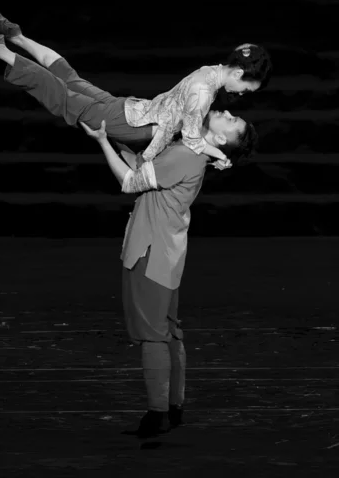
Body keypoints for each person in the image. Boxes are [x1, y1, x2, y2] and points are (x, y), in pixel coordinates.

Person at [80, 106, 257, 438]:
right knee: (168, 330)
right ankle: (173, 407)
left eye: (231, 120)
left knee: (153, 335)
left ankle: (157, 414)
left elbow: (130, 181)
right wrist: (114, 139)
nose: (227, 111)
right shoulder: (190, 154)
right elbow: (142, 169)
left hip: (151, 251)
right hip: (167, 251)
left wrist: (103, 141)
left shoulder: (184, 155)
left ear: (219, 138)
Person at [0, 10, 271, 168]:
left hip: (131, 108)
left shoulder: (210, 71)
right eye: (246, 88)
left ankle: (18, 37)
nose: (240, 96)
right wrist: (220, 153)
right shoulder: (205, 92)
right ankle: (1, 50)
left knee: (69, 77)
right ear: (240, 72)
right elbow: (193, 141)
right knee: (61, 93)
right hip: (132, 124)